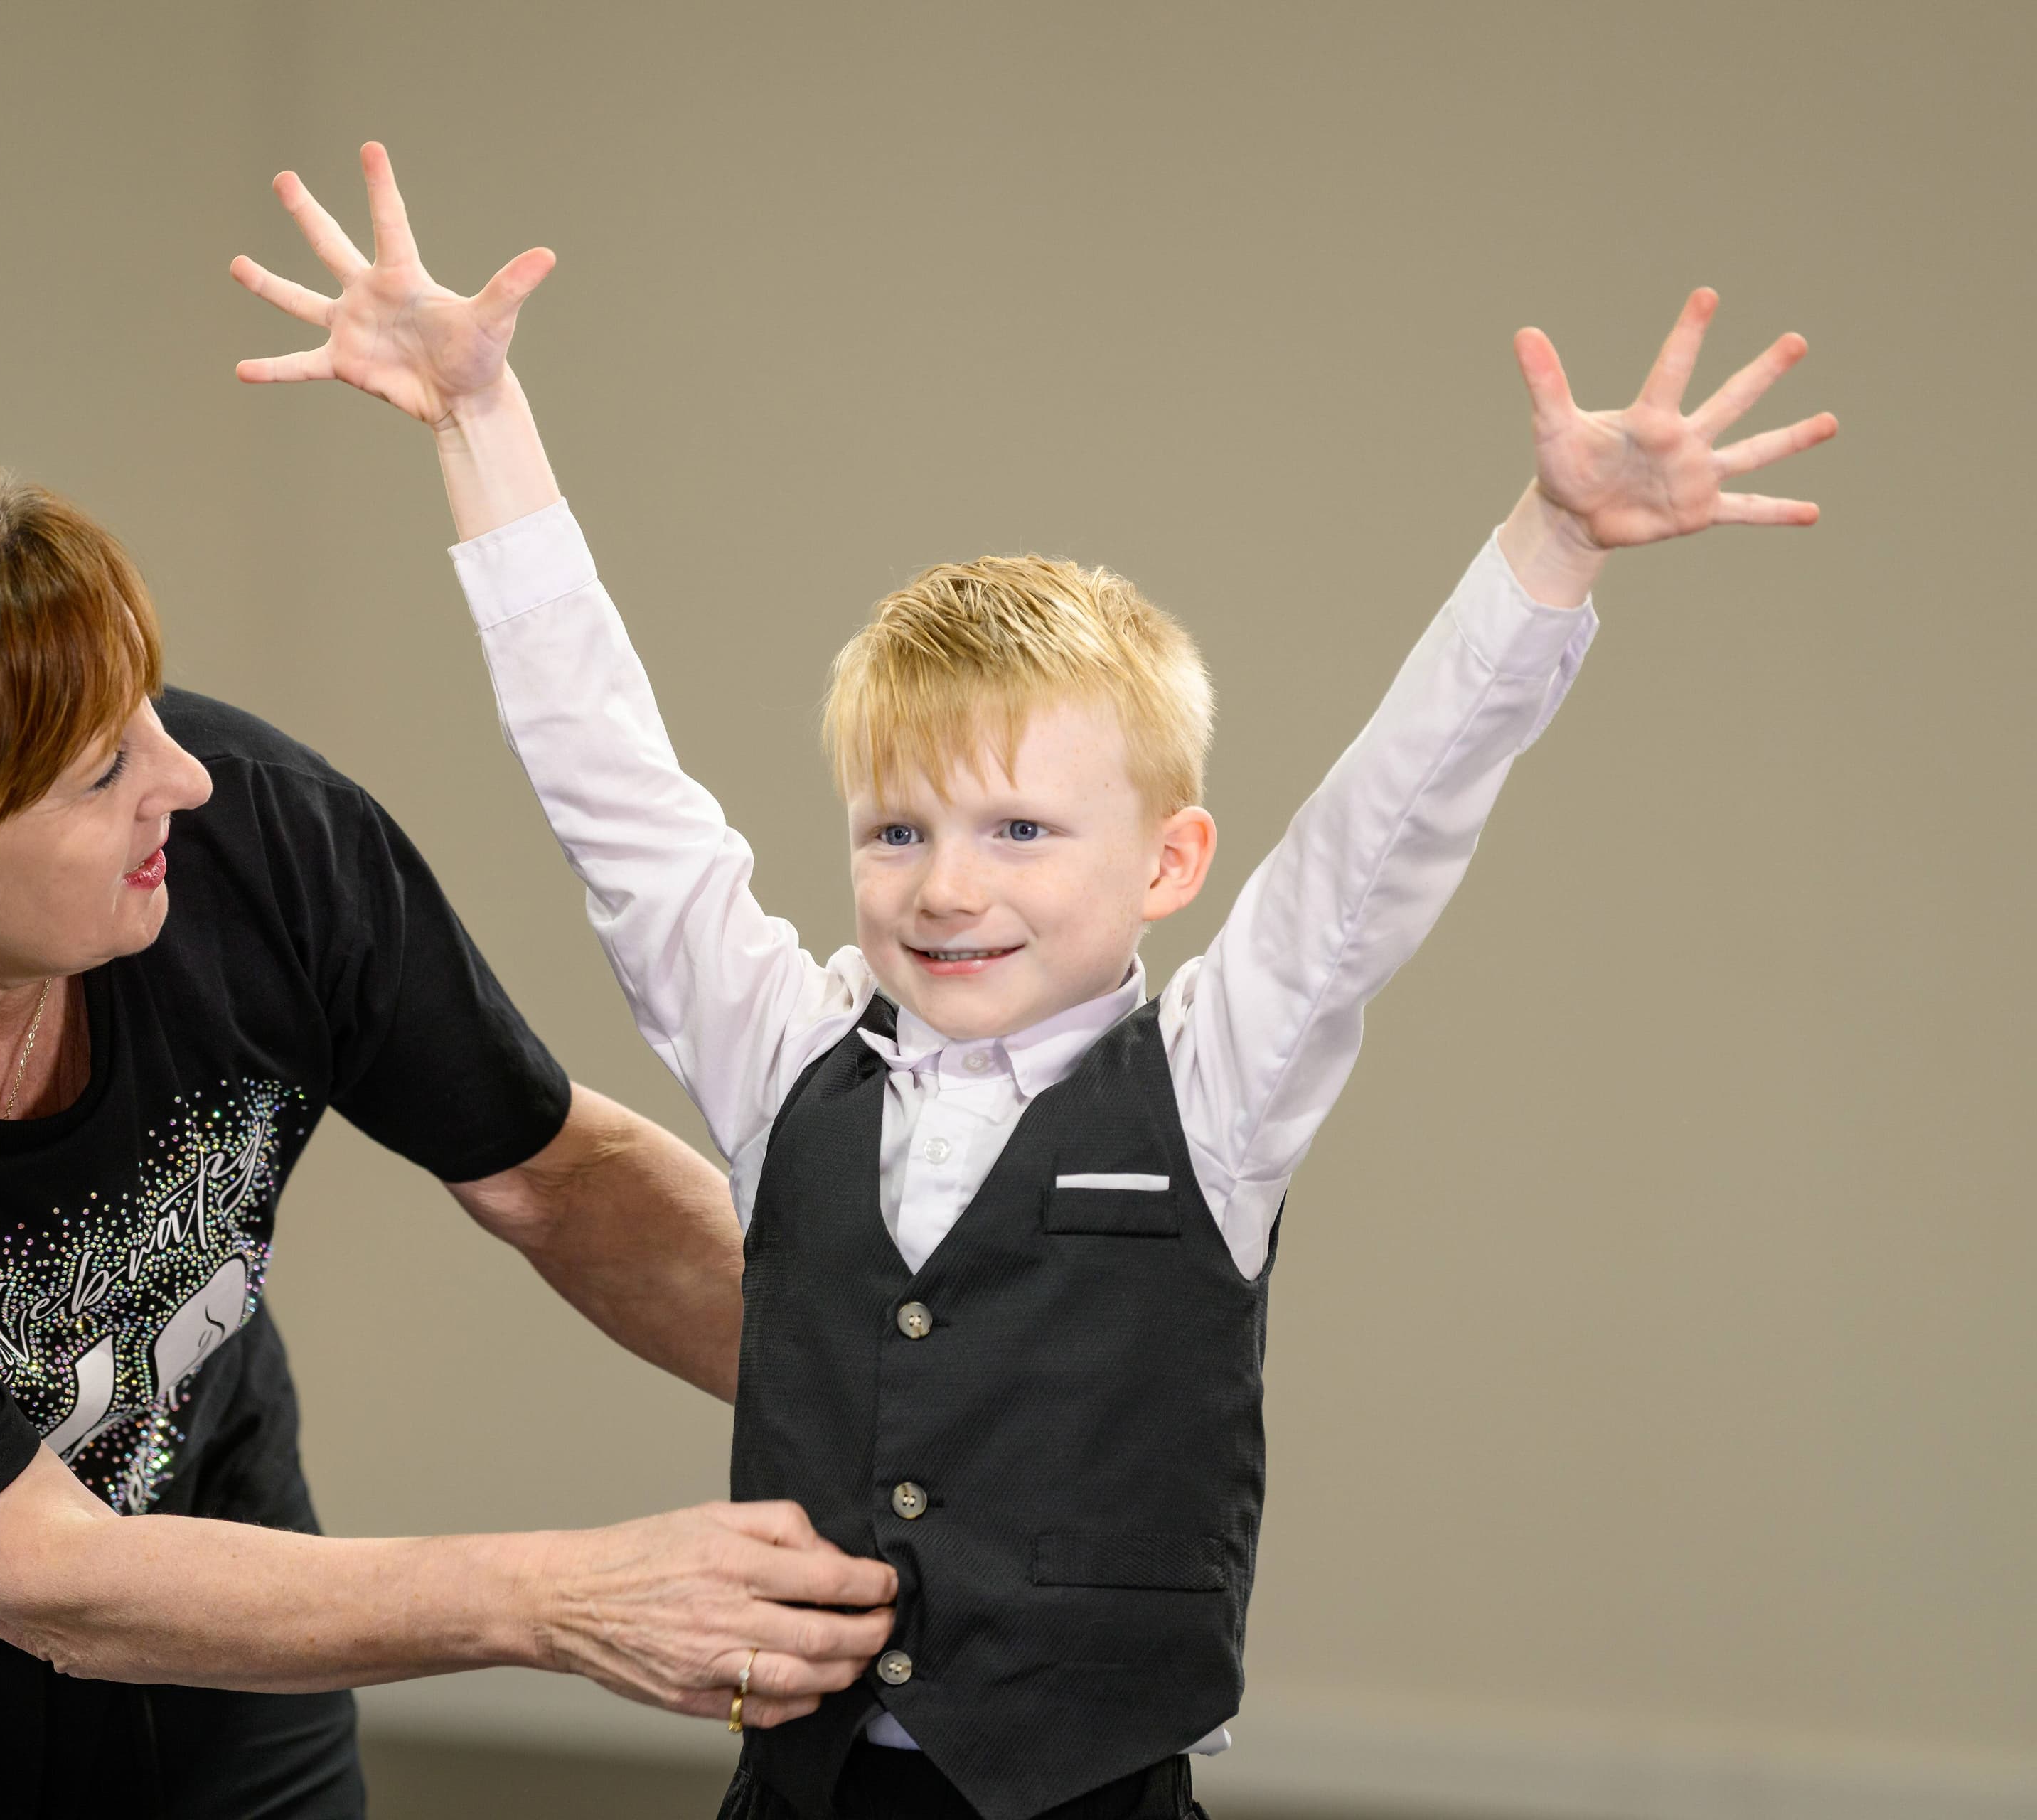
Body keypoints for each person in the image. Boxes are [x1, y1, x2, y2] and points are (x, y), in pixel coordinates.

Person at [229, 144, 1836, 1820]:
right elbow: (613, 794)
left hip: (1088, 1796)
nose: (948, 885)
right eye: (899, 826)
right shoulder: (791, 1059)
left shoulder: (1218, 1085)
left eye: (1019, 827)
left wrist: (1555, 544)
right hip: (804, 1785)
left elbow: (1390, 823)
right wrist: (480, 429)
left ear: (1167, 862)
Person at [0, 455, 902, 1819]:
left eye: (148, 708)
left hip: (179, 1486)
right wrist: (563, 1596)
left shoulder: (254, 838)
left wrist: (920, 1388)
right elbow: (52, 1579)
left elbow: (559, 1178)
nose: (187, 777)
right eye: (101, 771)